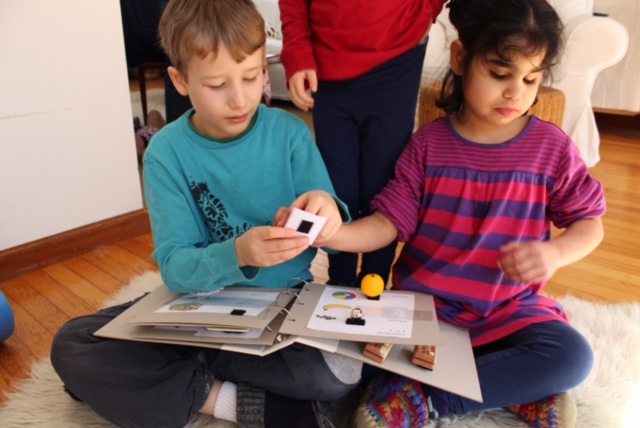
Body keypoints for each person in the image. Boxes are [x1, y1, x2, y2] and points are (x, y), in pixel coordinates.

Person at [50, 1, 362, 427]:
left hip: (285, 308)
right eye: (217, 84)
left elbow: (326, 210)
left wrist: (327, 210)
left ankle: (160, 384)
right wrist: (237, 253)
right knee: (73, 345)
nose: (240, 98)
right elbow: (177, 268)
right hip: (196, 311)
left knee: (339, 371)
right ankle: (236, 400)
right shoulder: (166, 153)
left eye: (252, 77)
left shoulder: (289, 134)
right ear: (179, 80)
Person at [294, 0, 605, 426]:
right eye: (500, 74)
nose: (516, 92)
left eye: (531, 79)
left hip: (509, 312)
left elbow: (589, 224)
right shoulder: (426, 145)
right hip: (425, 313)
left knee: (571, 357)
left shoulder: (551, 149)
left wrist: (555, 253)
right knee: (339, 360)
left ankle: (428, 397)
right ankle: (510, 390)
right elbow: (388, 223)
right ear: (460, 58)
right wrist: (334, 236)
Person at [278, 0, 449, 288]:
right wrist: (296, 49)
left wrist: (426, 10)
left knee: (383, 188)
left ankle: (376, 280)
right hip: (328, 67)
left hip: (398, 59)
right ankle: (340, 282)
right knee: (338, 187)